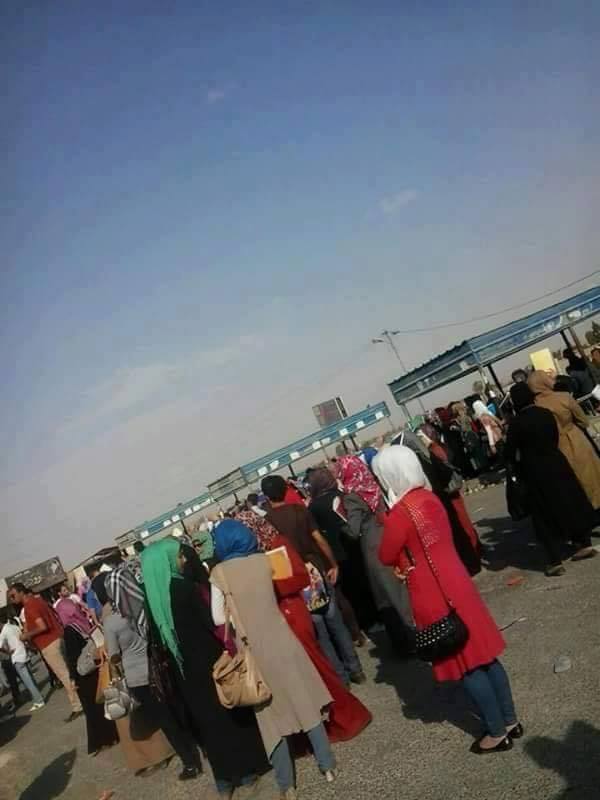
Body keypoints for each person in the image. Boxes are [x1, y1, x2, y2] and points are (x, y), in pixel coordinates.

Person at [374, 446, 521, 755]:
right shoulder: (430, 498)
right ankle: (510, 721)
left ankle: (496, 732)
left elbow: (385, 554)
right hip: (458, 579)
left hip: (433, 591)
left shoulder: (399, 514)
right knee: (485, 655)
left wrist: (386, 521)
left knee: (466, 664)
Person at [211, 520, 337, 799]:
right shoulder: (262, 561)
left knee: (270, 719)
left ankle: (286, 785)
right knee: (304, 701)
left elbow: (218, 618)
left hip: (254, 650)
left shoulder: (219, 574)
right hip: (283, 640)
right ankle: (327, 765)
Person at [141, 537, 268, 798]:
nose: (183, 560)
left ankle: (223, 779)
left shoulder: (152, 601)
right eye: (178, 556)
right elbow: (210, 624)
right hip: (210, 662)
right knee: (228, 712)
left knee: (205, 724)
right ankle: (246, 770)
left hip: (183, 673)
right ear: (166, 562)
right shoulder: (184, 588)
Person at [263, 475, 365, 686]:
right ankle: (356, 670)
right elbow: (319, 539)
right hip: (316, 568)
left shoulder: (268, 522)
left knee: (320, 630)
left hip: (296, 577)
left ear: (266, 496)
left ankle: (340, 678)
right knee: (335, 621)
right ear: (285, 490)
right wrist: (332, 564)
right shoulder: (300, 511)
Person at [96, 572, 189, 778]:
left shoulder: (112, 622)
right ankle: (192, 746)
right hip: (159, 667)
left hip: (138, 677)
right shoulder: (143, 607)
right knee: (175, 709)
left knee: (164, 719)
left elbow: (114, 655)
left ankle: (189, 761)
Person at [505, 384, 596, 575]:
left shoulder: (516, 423)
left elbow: (510, 453)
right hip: (556, 462)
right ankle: (583, 543)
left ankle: (555, 561)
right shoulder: (545, 414)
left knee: (543, 514)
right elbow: (554, 436)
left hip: (534, 471)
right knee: (569, 501)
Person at [332, 455, 415, 654]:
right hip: (389, 535)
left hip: (373, 546)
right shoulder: (371, 483)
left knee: (385, 595)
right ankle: (415, 627)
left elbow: (353, 531)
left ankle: (406, 641)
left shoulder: (351, 496)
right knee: (401, 588)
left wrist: (340, 525)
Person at [307, 467, 379, 638]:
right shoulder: (342, 494)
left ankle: (366, 623)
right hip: (355, 544)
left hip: (337, 551)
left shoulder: (314, 507)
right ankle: (378, 616)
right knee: (367, 580)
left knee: (351, 590)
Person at [397, 431, 482, 576]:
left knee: (451, 534)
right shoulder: (426, 456)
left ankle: (465, 565)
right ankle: (472, 563)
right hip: (443, 498)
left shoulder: (413, 463)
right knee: (457, 529)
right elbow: (444, 473)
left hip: (433, 502)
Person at [8, 583, 83, 721]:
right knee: (70, 671)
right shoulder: (39, 601)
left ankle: (77, 705)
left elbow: (42, 626)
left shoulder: (29, 606)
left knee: (64, 675)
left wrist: (27, 635)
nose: (12, 599)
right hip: (58, 638)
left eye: (13, 595)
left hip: (48, 644)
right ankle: (82, 699)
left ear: (21, 592)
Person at [529, 370, 600, 509]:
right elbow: (583, 420)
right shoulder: (564, 397)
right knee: (591, 474)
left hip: (556, 446)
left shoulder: (535, 406)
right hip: (575, 438)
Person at [61, 599, 119, 755]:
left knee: (92, 709)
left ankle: (103, 740)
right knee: (102, 703)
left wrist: (73, 678)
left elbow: (73, 658)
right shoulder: (83, 622)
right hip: (95, 668)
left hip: (84, 673)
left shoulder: (69, 630)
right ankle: (113, 734)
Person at [0, 616, 45, 712]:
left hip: (17, 657)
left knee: (27, 681)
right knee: (31, 679)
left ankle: (39, 700)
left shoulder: (3, 632)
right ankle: (38, 696)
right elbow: (23, 636)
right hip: (24, 653)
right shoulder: (13, 626)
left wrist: (8, 652)